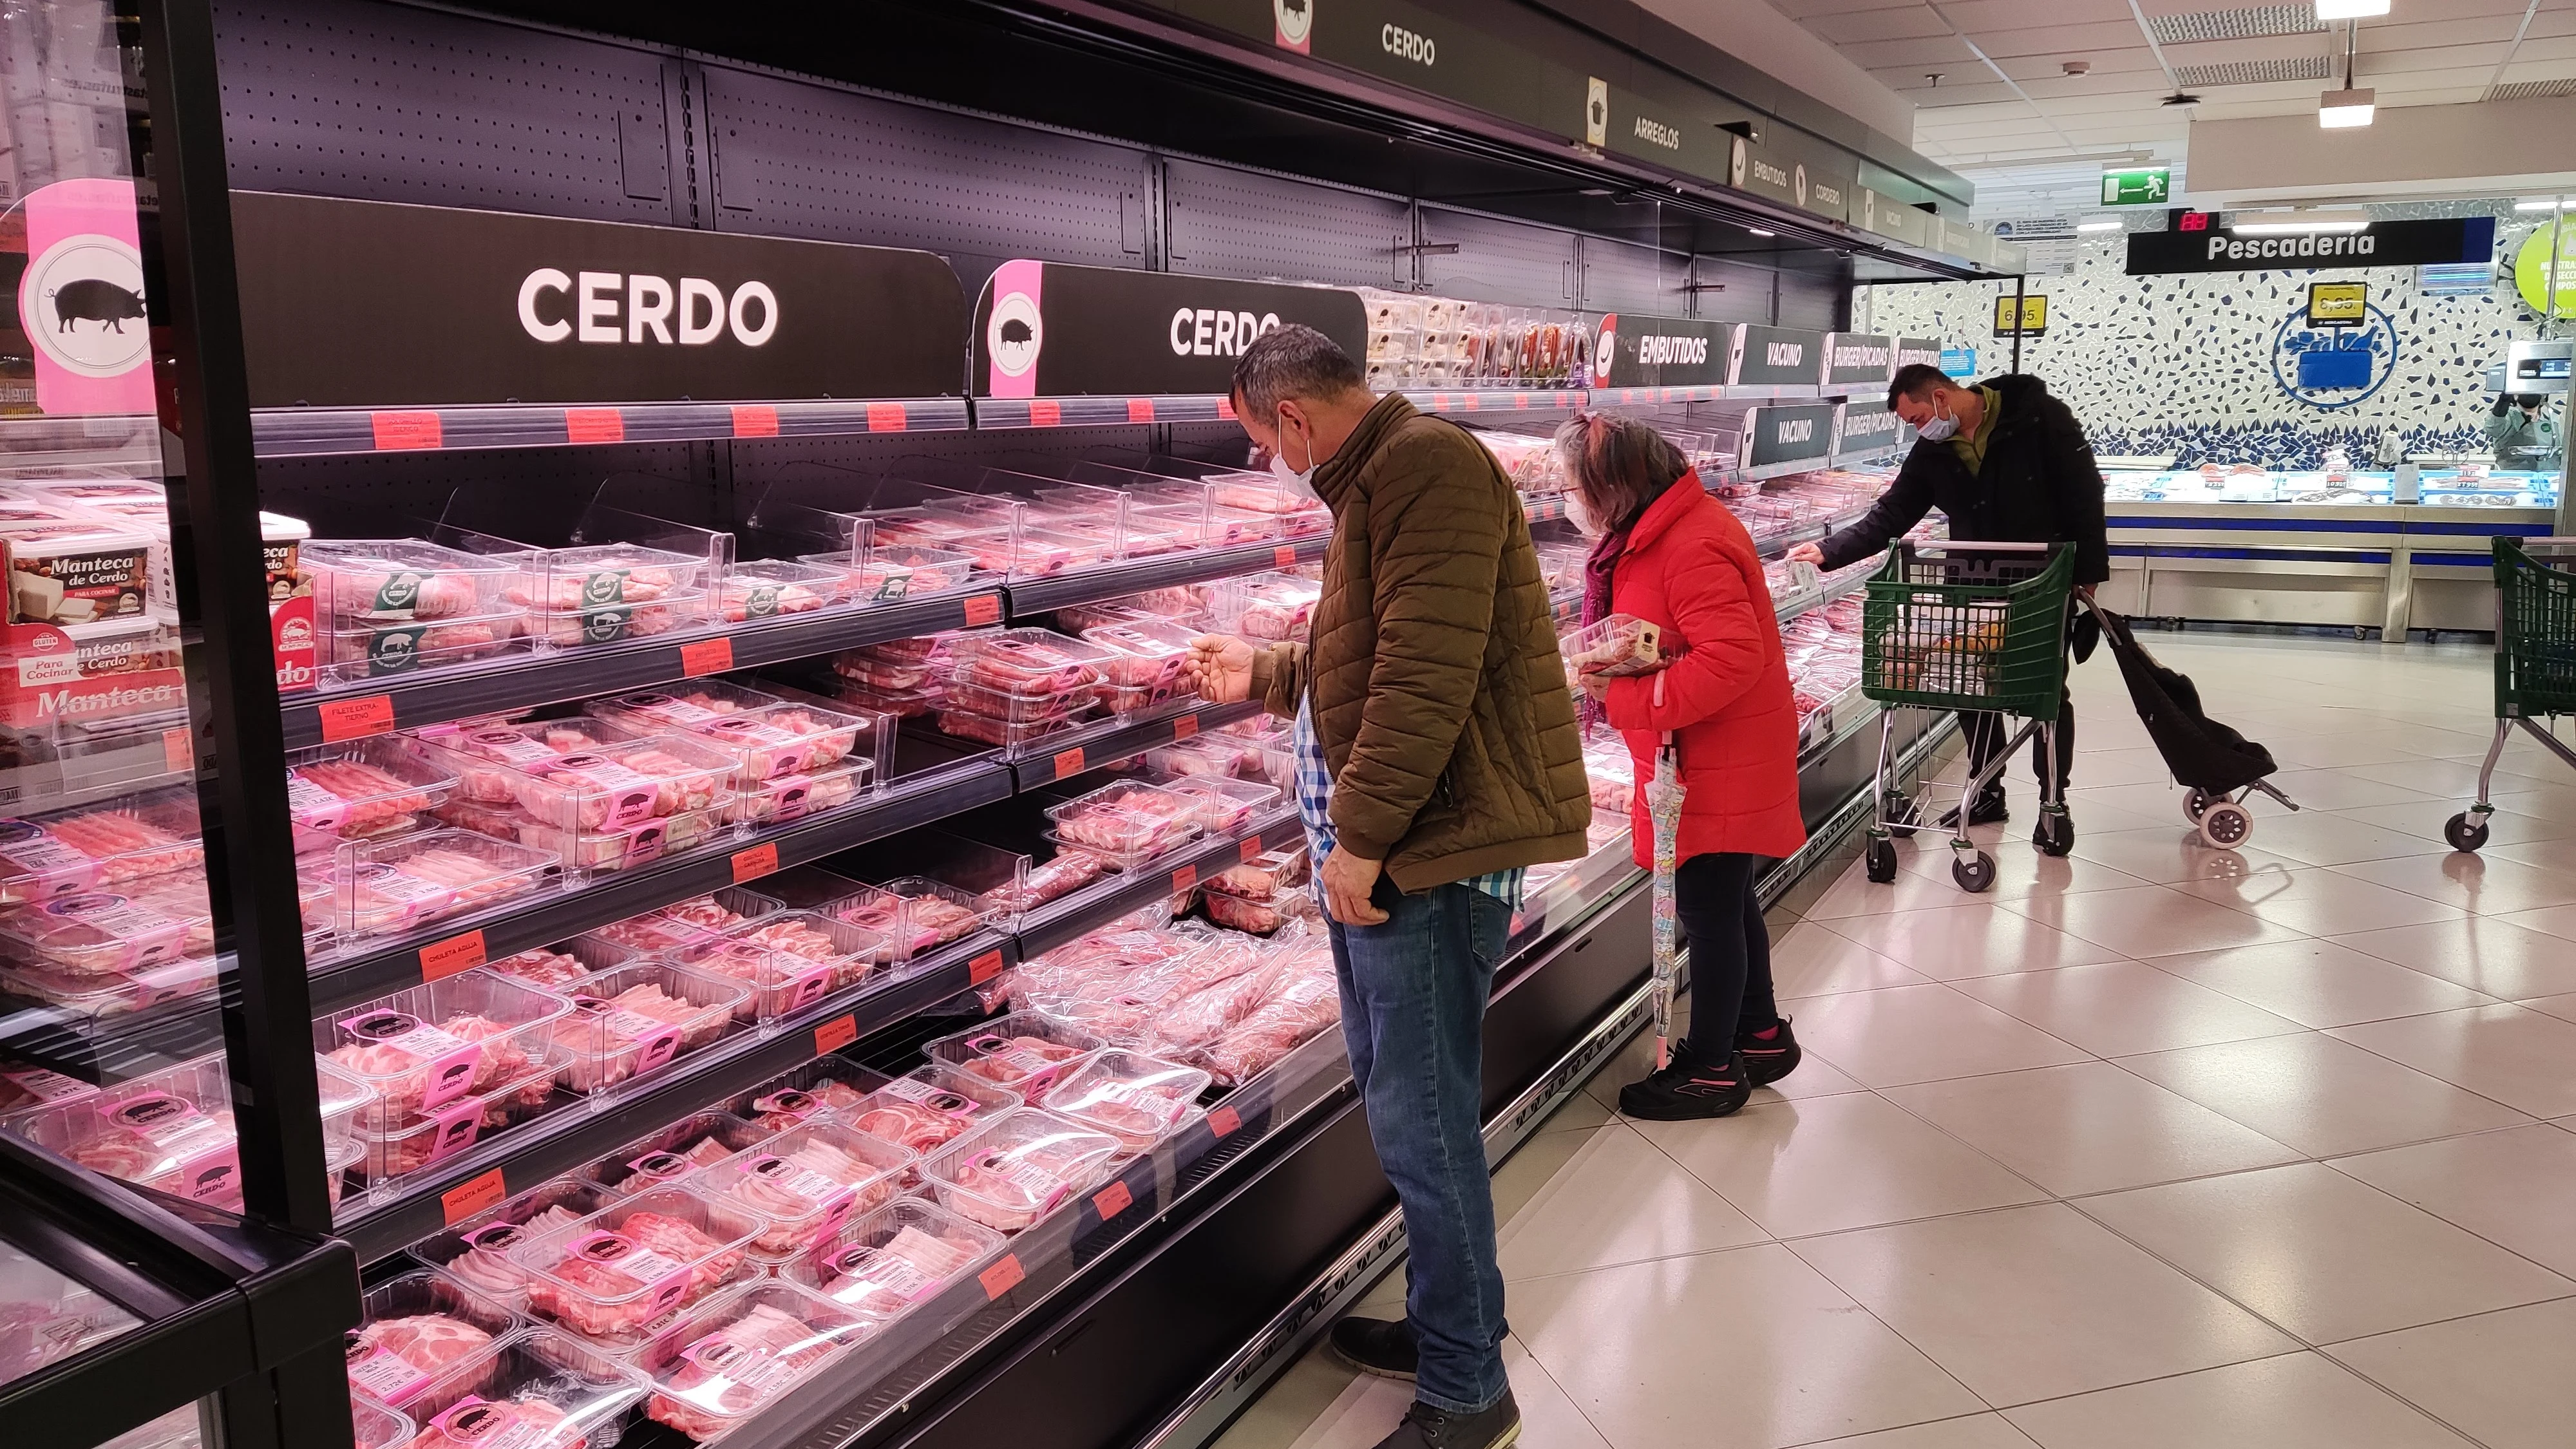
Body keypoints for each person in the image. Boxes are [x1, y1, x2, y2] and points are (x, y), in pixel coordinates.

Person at [1186, 325, 1589, 1449]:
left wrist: (1358, 844)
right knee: (1409, 1106)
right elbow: (1373, 652)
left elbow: (1423, 681)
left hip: (1421, 859)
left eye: (1266, 442)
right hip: (1397, 851)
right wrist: (1271, 674)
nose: (1273, 463)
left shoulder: (1423, 470)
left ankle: (1467, 1392)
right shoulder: (1382, 480)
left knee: (1425, 1125)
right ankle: (1448, 1319)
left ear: (1297, 421)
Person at [1558, 413, 1809, 1119]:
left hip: (1709, 756)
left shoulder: (1689, 542)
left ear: (1616, 487)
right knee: (1727, 899)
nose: (1571, 501)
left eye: (1578, 487)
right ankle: (1755, 1035)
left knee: (1707, 910)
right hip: (1703, 751)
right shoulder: (1660, 531)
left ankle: (1709, 1069)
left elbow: (1732, 657)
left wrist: (1633, 694)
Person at [1786, 363, 2107, 831]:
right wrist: (1828, 550)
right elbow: (1892, 514)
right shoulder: (1933, 450)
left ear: (1940, 397)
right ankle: (1987, 791)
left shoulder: (2040, 417)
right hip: (1972, 581)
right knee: (1968, 686)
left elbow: (2085, 494)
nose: (1920, 430)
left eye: (1916, 418)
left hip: (2041, 581)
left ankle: (2053, 799)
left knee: (2045, 694)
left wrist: (2089, 573)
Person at [2485, 392, 2561, 466]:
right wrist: (2503, 402)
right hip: (2512, 473)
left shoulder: (2550, 420)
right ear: (2515, 396)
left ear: (2544, 397)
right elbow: (2493, 430)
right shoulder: (2509, 416)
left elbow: (2560, 449)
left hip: (2547, 473)